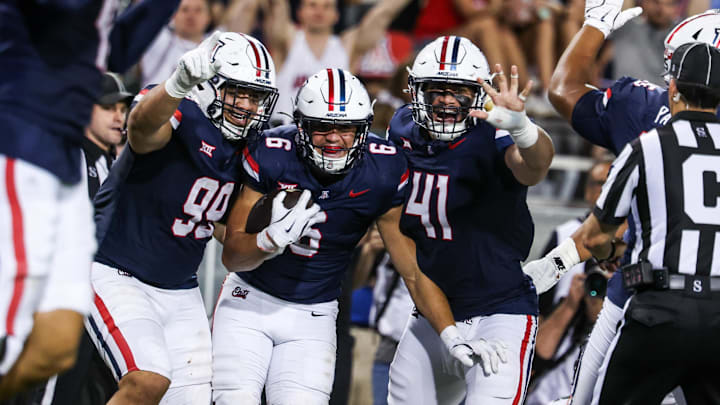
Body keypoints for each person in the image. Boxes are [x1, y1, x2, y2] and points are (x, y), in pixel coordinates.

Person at [212, 68, 508, 405]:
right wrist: (269, 239)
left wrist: (451, 334)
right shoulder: (273, 151)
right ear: (300, 126)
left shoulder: (383, 170)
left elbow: (411, 269)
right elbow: (232, 256)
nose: (334, 138)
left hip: (314, 314)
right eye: (322, 126)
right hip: (249, 300)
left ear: (364, 129)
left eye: (347, 128)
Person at [523, 6, 720, 404]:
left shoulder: (649, 130)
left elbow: (564, 90)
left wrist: (595, 26)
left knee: (588, 399)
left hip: (648, 297)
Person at [87, 31, 279, 405]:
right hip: (116, 270)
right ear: (209, 84)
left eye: (255, 96)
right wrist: (178, 83)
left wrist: (271, 234)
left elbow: (227, 234)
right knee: (147, 381)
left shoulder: (248, 147)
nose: (246, 105)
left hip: (180, 289)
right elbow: (140, 133)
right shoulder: (180, 108)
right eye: (237, 91)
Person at [386, 35, 555, 404]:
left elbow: (535, 168)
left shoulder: (492, 130)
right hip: (433, 312)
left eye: (459, 91)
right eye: (436, 90)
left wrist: (522, 129)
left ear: (477, 94)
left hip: (500, 310)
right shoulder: (401, 129)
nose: (447, 100)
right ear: (416, 90)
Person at [573, 41, 720, 404]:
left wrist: (610, 251)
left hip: (661, 309)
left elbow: (593, 236)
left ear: (672, 88)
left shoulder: (647, 145)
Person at [0, 0, 113, 399]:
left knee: (54, 347)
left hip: (50, 159)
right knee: (10, 343)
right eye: (109, 106)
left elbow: (112, 47)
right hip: (19, 148)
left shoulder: (91, 155)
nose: (118, 115)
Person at [256, 0, 412, 124]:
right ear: (299, 12)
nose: (319, 11)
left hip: (328, 139)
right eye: (312, 5)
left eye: (327, 6)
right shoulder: (287, 42)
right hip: (283, 134)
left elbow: (383, 14)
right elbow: (277, 5)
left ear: (336, 14)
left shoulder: (347, 47)